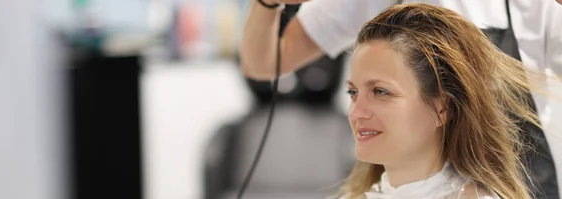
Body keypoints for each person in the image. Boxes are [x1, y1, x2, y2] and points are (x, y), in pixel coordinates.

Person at [240, 0, 562, 198]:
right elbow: (264, 62)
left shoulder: (533, 6)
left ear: (445, 106)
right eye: (353, 92)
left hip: (524, 183)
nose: (357, 113)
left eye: (380, 91)